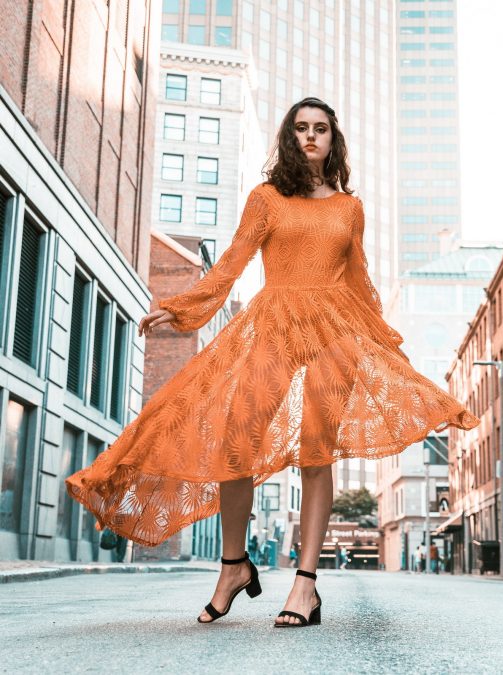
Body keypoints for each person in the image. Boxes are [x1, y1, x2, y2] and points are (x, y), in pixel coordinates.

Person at [65, 97, 479, 627]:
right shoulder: (266, 198)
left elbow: (359, 280)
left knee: (316, 452)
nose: (311, 136)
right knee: (237, 438)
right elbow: (232, 263)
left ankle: (304, 586)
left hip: (336, 331)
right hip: (275, 324)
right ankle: (234, 566)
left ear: (334, 139)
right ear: (290, 136)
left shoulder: (349, 208)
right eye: (301, 128)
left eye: (321, 129)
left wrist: (382, 343)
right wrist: (180, 309)